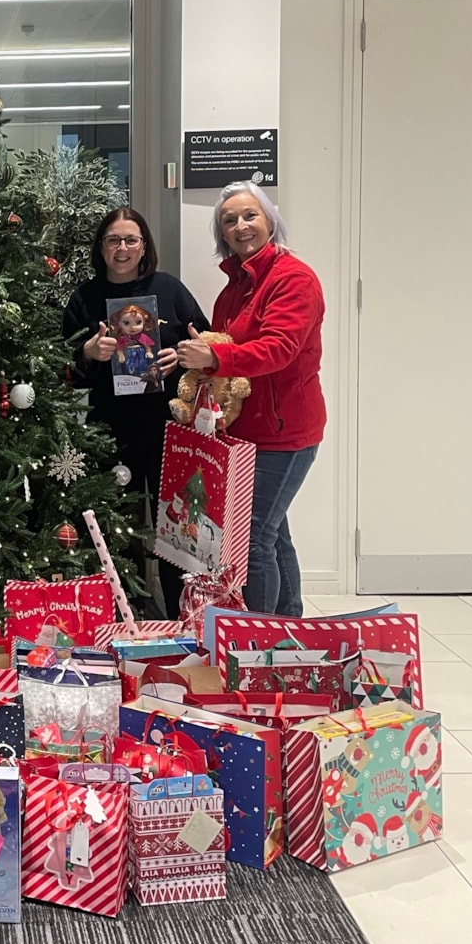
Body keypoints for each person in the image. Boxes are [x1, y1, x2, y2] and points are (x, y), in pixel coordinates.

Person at [177, 182, 325, 618]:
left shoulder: (293, 278)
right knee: (274, 533)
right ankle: (288, 626)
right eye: (229, 221)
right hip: (246, 431)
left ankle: (255, 637)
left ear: (269, 221)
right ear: (221, 233)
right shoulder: (234, 286)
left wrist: (215, 356)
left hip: (286, 433)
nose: (240, 227)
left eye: (249, 216)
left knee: (255, 535)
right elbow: (227, 349)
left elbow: (279, 348)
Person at [63, 207, 209, 617]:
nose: (122, 248)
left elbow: (207, 344)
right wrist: (89, 353)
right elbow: (64, 366)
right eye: (113, 240)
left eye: (131, 240)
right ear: (101, 248)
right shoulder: (85, 298)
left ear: (144, 246)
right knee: (120, 528)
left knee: (176, 529)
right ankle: (130, 615)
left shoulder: (170, 288)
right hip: (111, 430)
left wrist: (178, 356)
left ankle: (183, 614)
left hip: (170, 431)